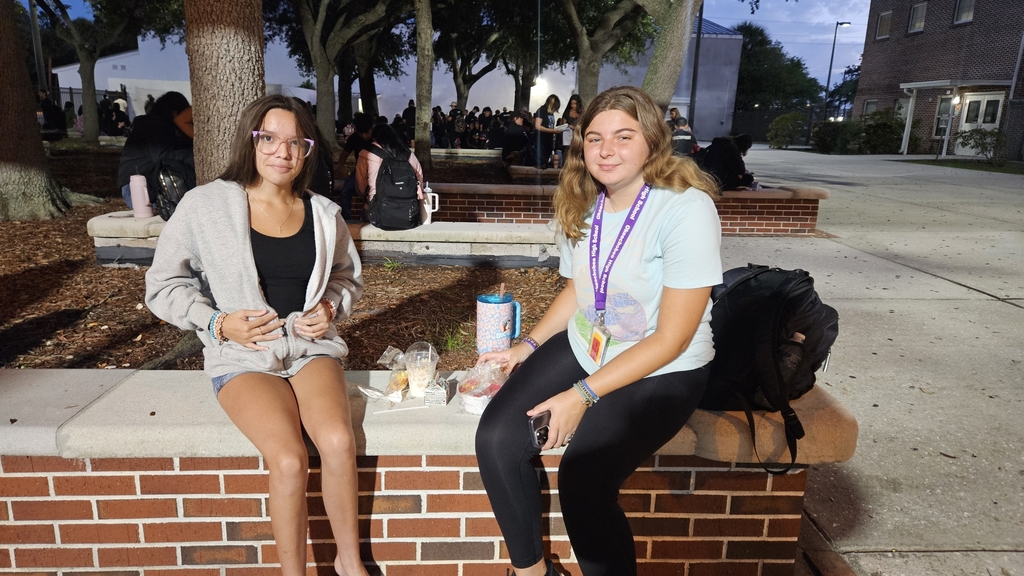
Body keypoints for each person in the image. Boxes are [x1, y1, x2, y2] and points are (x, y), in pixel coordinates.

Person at [475, 86, 722, 576]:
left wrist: (580, 395)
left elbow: (671, 339)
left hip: (665, 366)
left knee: (583, 477)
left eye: (623, 136)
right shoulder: (583, 203)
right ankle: (532, 573)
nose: (606, 150)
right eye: (594, 138)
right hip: (593, 342)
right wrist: (526, 345)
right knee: (498, 437)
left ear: (652, 141)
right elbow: (578, 292)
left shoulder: (686, 210)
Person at [145, 94, 367, 576]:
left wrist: (331, 307)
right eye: (269, 138)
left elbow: (348, 279)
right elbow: (162, 285)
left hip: (311, 348)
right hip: (242, 354)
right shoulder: (206, 205)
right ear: (251, 140)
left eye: (294, 142)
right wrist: (215, 322)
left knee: (336, 440)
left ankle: (351, 566)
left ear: (307, 151)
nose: (281, 153)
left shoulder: (325, 214)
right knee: (288, 459)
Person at [117, 91, 195, 209]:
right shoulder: (152, 127)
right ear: (174, 113)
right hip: (138, 191)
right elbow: (163, 155)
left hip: (142, 187)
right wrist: (195, 156)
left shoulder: (153, 126)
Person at [356, 123, 425, 203]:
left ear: (374, 138)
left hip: (378, 204)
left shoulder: (366, 154)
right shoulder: (407, 154)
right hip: (407, 205)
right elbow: (419, 178)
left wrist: (366, 196)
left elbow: (361, 182)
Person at [533, 94, 562, 168]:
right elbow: (537, 126)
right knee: (541, 160)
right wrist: (552, 131)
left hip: (548, 139)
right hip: (541, 139)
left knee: (546, 159)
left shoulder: (550, 113)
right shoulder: (542, 110)